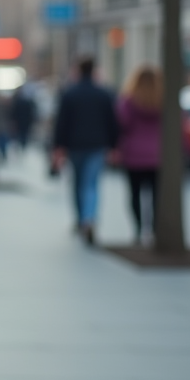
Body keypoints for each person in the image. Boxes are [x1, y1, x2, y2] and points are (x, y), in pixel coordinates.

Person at [52, 56, 119, 246]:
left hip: (75, 146)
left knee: (78, 183)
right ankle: (89, 218)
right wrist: (114, 147)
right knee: (91, 184)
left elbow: (61, 124)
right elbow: (112, 123)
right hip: (97, 145)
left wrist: (58, 148)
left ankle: (82, 219)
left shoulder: (70, 93)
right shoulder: (104, 93)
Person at [115, 65, 163, 245]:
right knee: (156, 197)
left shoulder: (129, 102)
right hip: (158, 157)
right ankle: (155, 230)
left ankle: (139, 228)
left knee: (135, 195)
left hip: (133, 156)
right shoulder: (164, 101)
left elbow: (121, 124)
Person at [7, 83, 38, 150]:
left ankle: (21, 146)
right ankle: (22, 145)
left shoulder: (18, 101)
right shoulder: (26, 101)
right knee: (23, 135)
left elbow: (14, 112)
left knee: (21, 135)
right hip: (24, 122)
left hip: (21, 122)